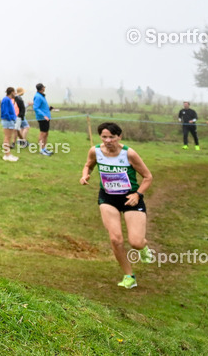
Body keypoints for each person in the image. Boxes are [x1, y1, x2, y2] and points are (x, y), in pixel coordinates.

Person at [80, 122, 153, 289]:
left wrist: (138, 194)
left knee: (135, 242)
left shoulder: (129, 154)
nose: (107, 140)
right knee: (115, 239)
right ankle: (129, 275)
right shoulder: (95, 151)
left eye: (111, 137)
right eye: (104, 137)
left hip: (130, 199)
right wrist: (85, 176)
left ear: (119, 137)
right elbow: (88, 165)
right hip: (108, 198)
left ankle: (143, 247)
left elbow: (148, 177)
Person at [33, 82, 54, 156]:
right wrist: (44, 115)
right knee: (43, 133)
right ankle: (41, 149)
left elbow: (42, 107)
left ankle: (44, 148)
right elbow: (35, 108)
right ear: (41, 88)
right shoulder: (38, 96)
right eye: (44, 87)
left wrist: (49, 109)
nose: (44, 88)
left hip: (46, 117)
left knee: (46, 133)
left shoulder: (42, 96)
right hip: (42, 118)